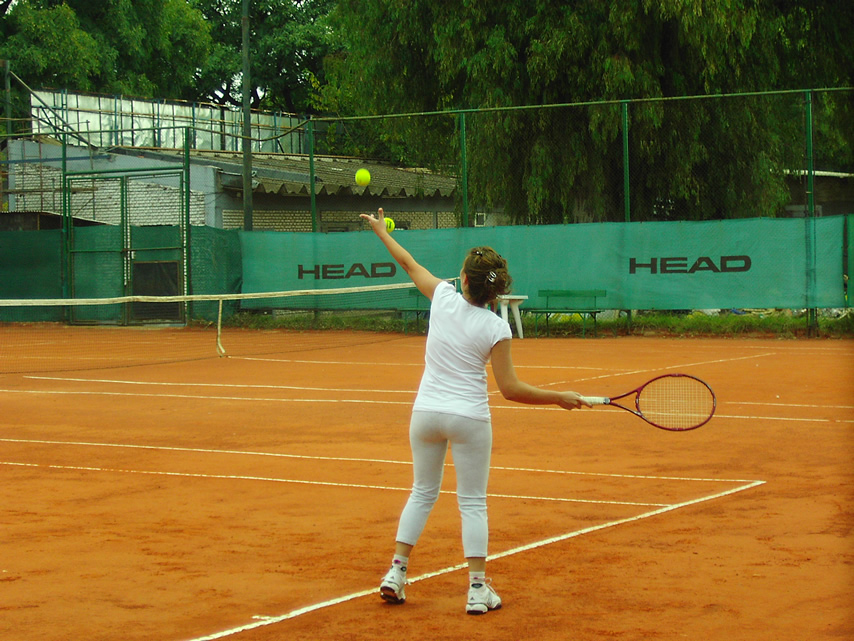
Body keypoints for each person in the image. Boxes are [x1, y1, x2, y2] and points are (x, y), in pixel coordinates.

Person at [360, 207, 589, 615]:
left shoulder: (442, 297)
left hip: (426, 415)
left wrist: (380, 231)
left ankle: (396, 572)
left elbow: (407, 263)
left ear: (463, 279)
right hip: (468, 419)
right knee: (472, 502)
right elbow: (510, 389)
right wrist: (558, 396)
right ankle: (477, 589)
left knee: (422, 492)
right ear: (495, 293)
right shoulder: (497, 327)